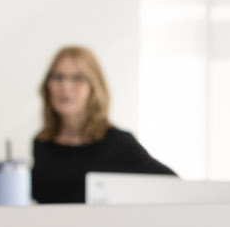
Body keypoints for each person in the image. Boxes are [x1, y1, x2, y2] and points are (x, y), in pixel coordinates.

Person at [29, 46, 175, 204]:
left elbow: (172, 185)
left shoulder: (118, 143)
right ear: (47, 85)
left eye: (77, 78)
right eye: (58, 77)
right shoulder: (42, 143)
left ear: (94, 87)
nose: (65, 86)